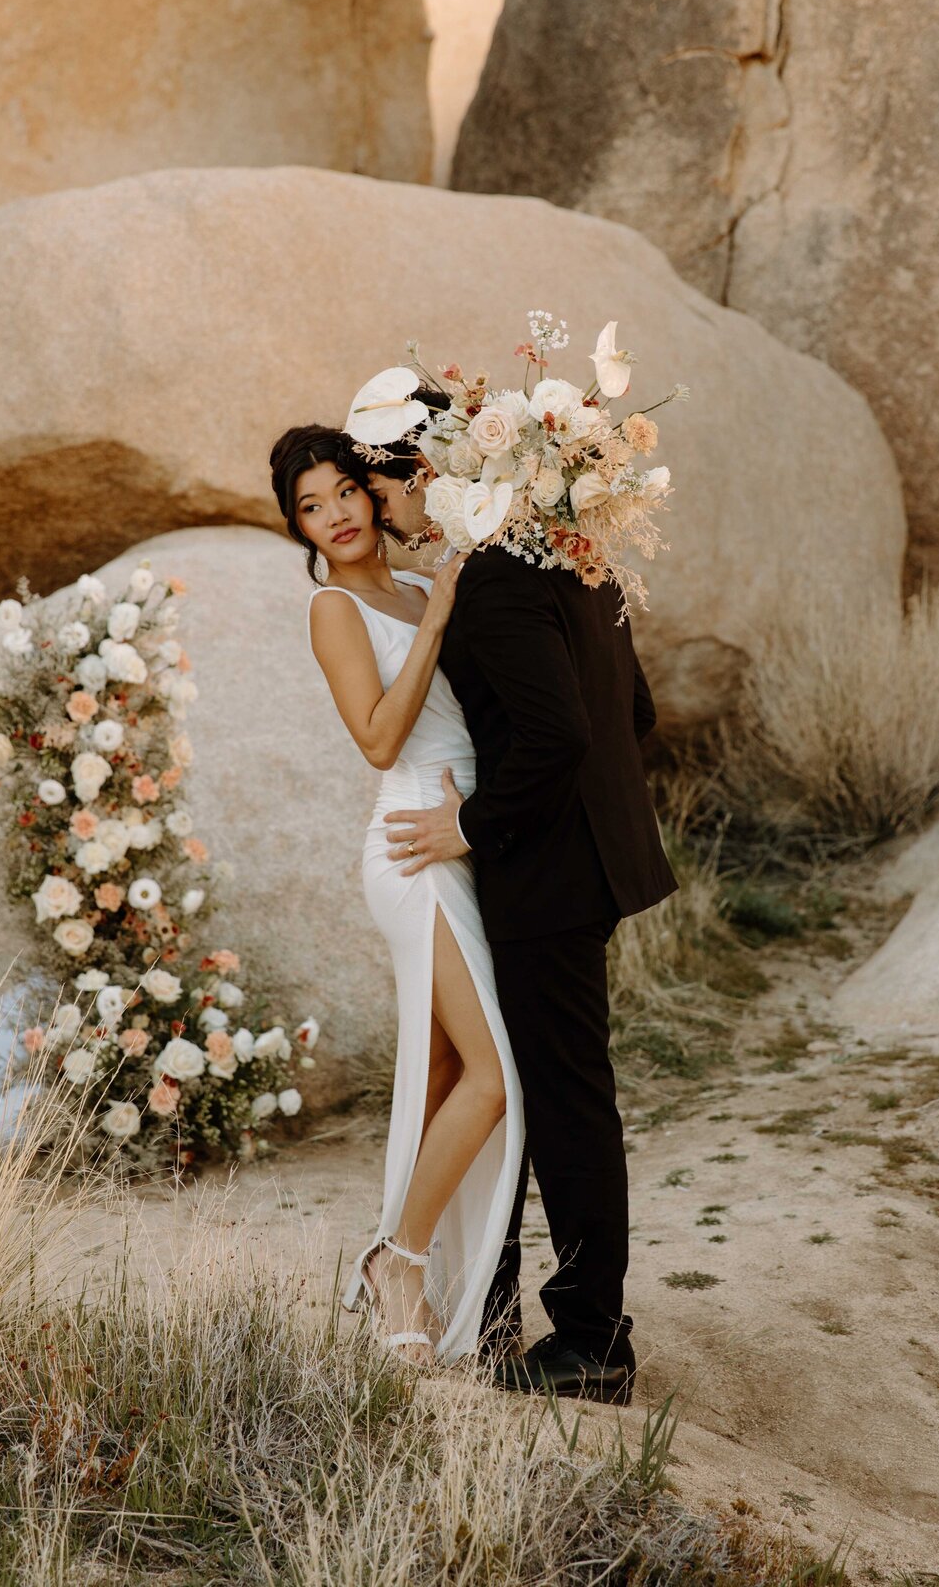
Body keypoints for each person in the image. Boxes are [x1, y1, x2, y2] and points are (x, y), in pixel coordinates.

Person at [357, 390, 677, 1407]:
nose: (382, 512)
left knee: (567, 1104)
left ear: (423, 474)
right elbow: (637, 709)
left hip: (543, 871)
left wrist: (472, 828)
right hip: (587, 862)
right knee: (545, 1092)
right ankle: (492, 1311)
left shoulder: (494, 579)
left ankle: (591, 1342)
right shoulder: (561, 545)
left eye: (381, 486)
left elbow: (563, 737)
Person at [269, 423, 525, 1369]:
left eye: (343, 492)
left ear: (374, 493)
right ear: (297, 525)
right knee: (495, 1080)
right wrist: (443, 615)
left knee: (450, 1079)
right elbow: (379, 739)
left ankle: (426, 1272)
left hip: (463, 837)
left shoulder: (418, 585)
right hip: (412, 847)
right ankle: (399, 1262)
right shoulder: (335, 608)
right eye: (310, 506)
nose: (333, 516)